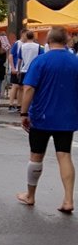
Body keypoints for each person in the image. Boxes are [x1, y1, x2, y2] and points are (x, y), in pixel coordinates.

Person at [16, 27, 78, 214]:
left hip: (41, 115)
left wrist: (24, 113)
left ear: (48, 41)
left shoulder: (41, 61)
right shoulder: (74, 61)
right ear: (67, 40)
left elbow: (28, 89)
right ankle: (68, 199)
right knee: (64, 155)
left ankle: (30, 195)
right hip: (67, 116)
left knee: (36, 155)